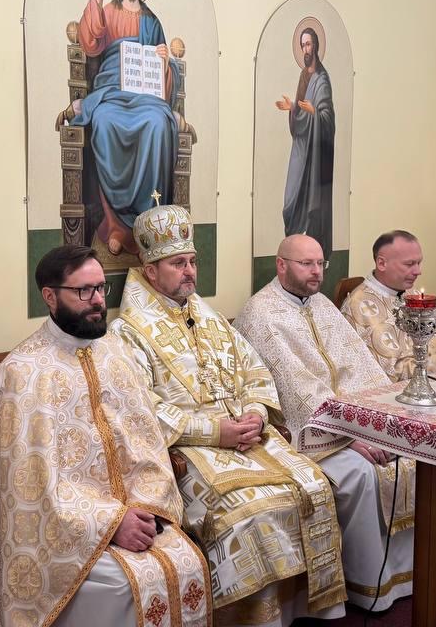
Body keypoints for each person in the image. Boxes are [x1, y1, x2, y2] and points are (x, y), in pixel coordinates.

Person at [112, 200, 346, 626]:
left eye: (192, 261)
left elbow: (255, 369)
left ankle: (303, 612)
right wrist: (215, 432)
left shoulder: (210, 318)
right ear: (150, 272)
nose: (190, 272)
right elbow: (141, 410)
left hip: (249, 437)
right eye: (178, 263)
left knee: (315, 485)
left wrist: (257, 412)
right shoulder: (126, 333)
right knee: (251, 513)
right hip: (192, 450)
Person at [0, 245, 208, 627]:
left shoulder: (116, 354)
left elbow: (148, 445)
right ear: (50, 296)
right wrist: (111, 524)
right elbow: (28, 491)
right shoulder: (24, 373)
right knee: (122, 584)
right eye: (83, 291)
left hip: (139, 510)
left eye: (100, 288)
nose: (97, 300)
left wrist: (147, 505)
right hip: (67, 534)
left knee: (188, 563)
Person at [234, 234, 413, 612]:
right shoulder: (261, 314)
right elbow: (295, 391)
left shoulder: (323, 305)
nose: (316, 272)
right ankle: (368, 586)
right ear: (281, 265)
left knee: (410, 451)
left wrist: (379, 425)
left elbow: (362, 367)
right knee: (360, 474)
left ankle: (409, 573)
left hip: (351, 420)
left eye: (320, 264)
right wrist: (349, 438)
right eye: (306, 264)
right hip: (307, 432)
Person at [70, 0, 180, 257]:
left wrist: (164, 62)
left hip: (146, 95)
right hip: (111, 89)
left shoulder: (152, 22)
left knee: (159, 123)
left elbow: (165, 74)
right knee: (103, 121)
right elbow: (90, 43)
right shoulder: (108, 10)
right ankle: (116, 225)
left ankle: (150, 223)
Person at [342, 231, 436, 382]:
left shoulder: (410, 293)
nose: (418, 271)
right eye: (409, 264)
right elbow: (389, 373)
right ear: (382, 263)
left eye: (419, 263)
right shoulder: (361, 306)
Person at [277, 27, 335, 255]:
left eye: (308, 44)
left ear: (316, 46)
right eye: (302, 45)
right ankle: (292, 250)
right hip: (300, 148)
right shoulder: (304, 76)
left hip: (314, 155)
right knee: (290, 203)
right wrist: (293, 108)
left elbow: (327, 118)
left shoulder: (322, 79)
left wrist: (315, 113)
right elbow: (302, 111)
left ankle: (308, 253)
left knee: (311, 207)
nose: (305, 50)